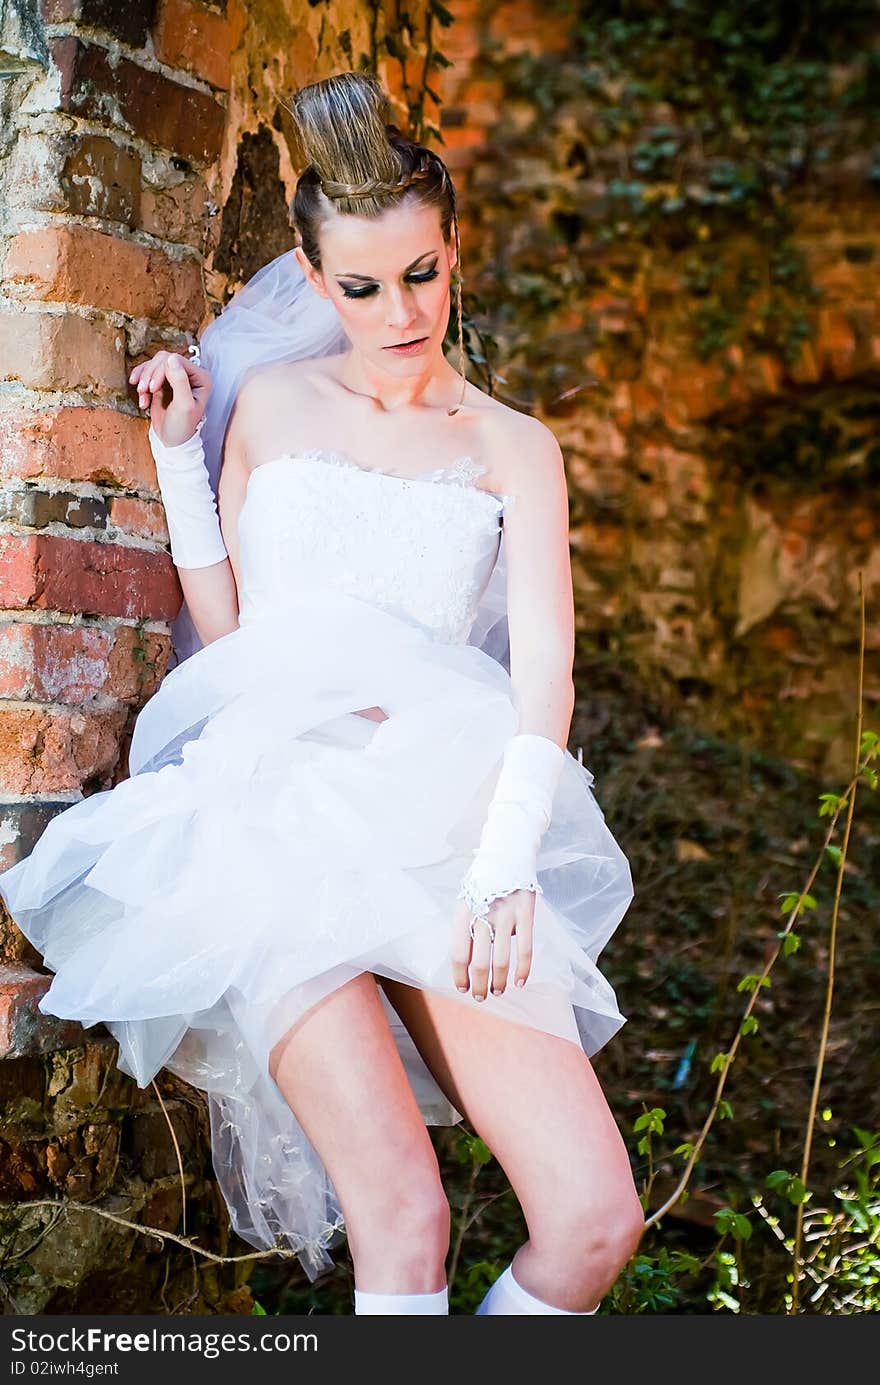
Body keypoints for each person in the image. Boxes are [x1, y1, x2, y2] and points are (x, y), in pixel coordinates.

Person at [0, 71, 643, 1315]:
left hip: (450, 832)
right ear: (310, 277)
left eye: (422, 273)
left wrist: (505, 858)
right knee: (404, 1217)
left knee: (592, 1217)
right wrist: (182, 457)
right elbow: (231, 633)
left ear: (453, 252)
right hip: (279, 826)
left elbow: (546, 669)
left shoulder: (516, 445)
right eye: (360, 286)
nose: (398, 309)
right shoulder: (278, 405)